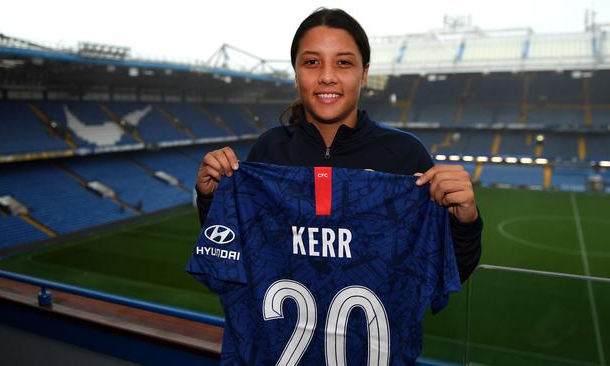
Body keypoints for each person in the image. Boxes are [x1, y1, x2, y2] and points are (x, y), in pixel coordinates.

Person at [195, 8, 481, 285]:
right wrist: (212, 200)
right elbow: (234, 260)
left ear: (364, 73)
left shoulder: (405, 155)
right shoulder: (269, 150)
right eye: (311, 62)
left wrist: (464, 222)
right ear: (296, 74)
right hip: (276, 331)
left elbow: (445, 273)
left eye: (343, 62)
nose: (327, 76)